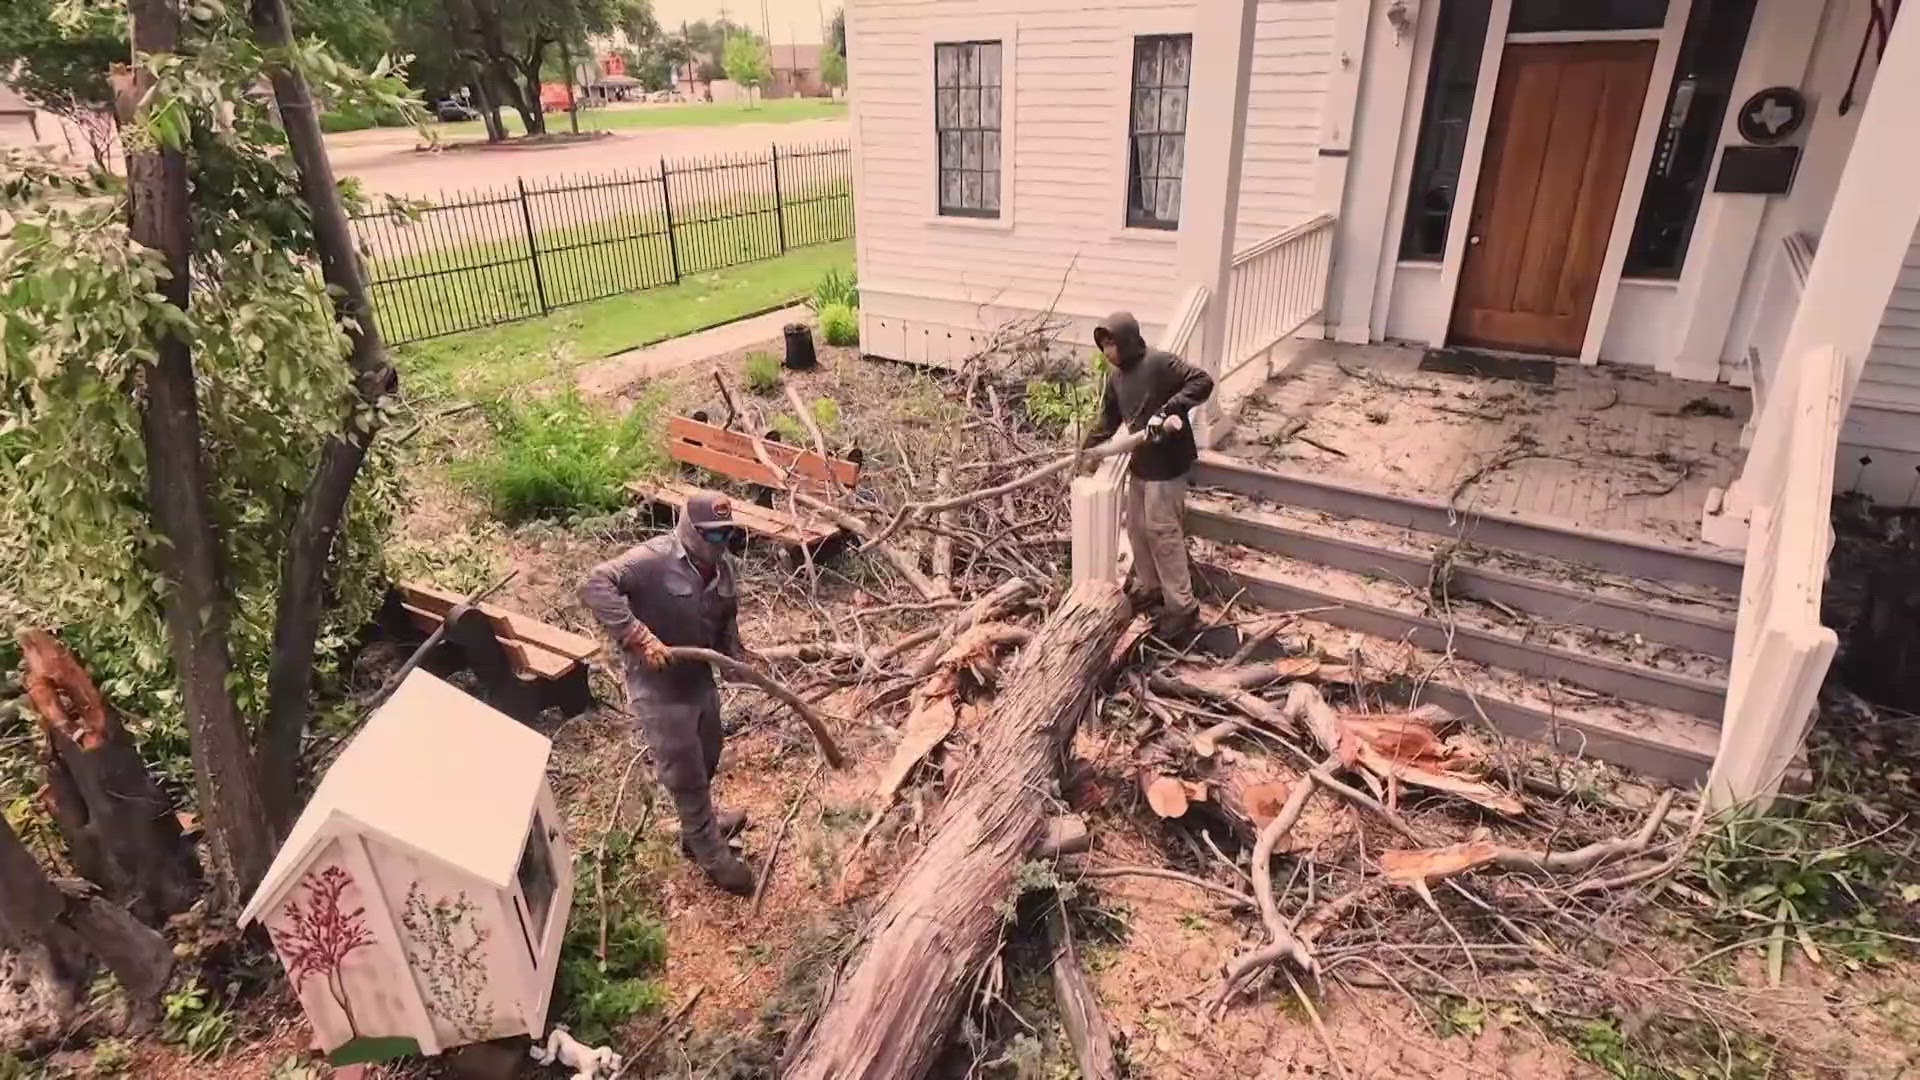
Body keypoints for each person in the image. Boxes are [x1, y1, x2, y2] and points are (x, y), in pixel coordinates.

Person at [580, 491, 757, 895]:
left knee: (709, 751)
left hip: (698, 680)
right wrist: (637, 636)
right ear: (691, 531)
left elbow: (726, 622)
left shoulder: (724, 569)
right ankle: (708, 850)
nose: (719, 543)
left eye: (725, 534)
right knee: (685, 771)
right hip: (659, 689)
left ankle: (700, 823)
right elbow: (595, 583)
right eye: (711, 536)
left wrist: (738, 661)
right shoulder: (652, 560)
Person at [1081, 311, 1215, 638]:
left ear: (1127, 340)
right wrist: (1087, 451)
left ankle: (1182, 606)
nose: (1108, 351)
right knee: (1138, 529)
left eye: (1112, 343)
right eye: (1104, 345)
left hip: (1167, 466)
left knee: (1162, 532)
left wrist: (1170, 409)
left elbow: (1202, 381)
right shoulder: (1116, 379)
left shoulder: (1159, 364)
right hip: (1141, 462)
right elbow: (1108, 420)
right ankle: (1152, 587)